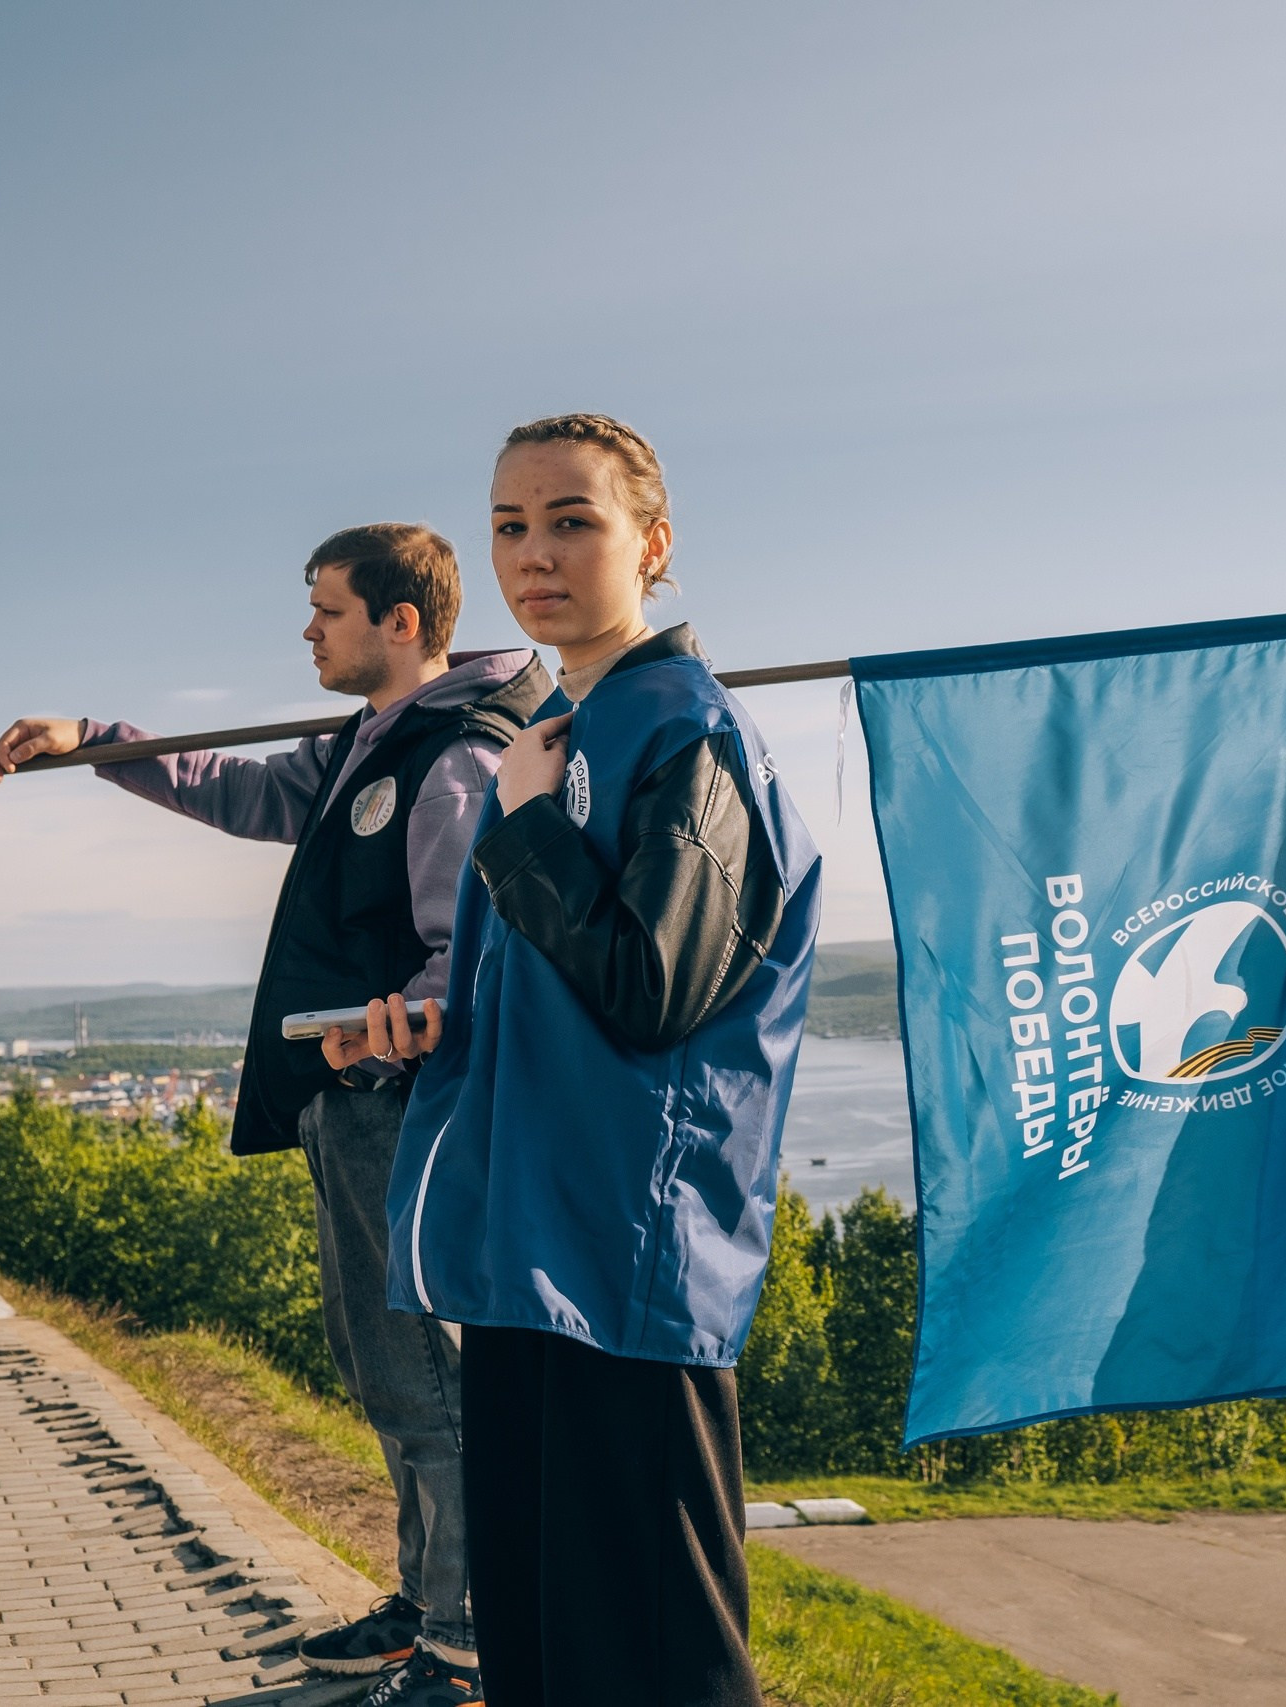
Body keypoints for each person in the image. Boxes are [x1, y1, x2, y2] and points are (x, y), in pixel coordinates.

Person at [0, 525, 550, 1704]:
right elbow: (238, 788)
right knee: (381, 1361)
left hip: (406, 1106)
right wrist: (98, 741)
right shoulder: (367, 745)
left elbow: (475, 944)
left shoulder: (451, 756)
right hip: (353, 1100)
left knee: (424, 1374)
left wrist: (407, 1023)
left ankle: (467, 1645)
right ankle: (426, 1601)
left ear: (399, 621)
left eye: (326, 610)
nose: (306, 630)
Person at [327, 415, 820, 1705]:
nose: (533, 554)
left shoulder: (684, 732)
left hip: (626, 1265)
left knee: (656, 1663)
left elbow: (653, 986)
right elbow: (557, 992)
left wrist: (530, 825)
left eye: (570, 520)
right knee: (544, 1649)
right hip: (525, 1256)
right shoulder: (561, 730)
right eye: (507, 524)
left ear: (651, 544)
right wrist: (427, 1030)